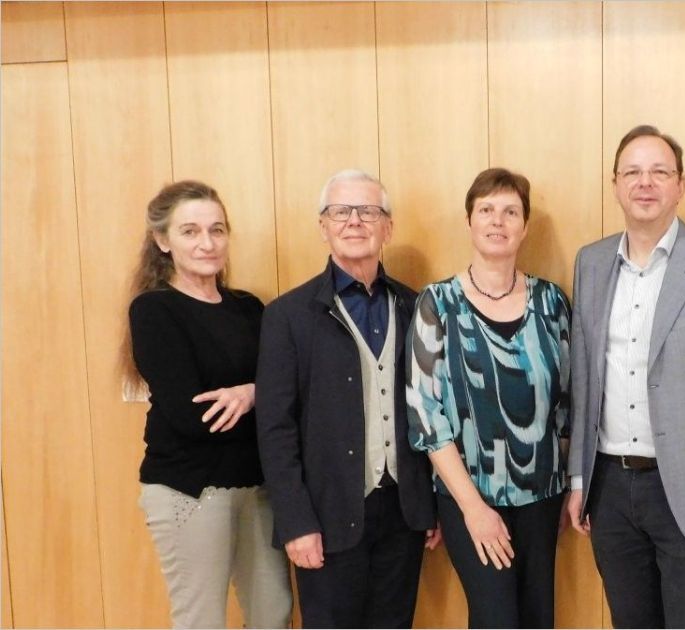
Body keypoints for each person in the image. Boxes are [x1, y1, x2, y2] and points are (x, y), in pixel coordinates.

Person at [566, 125, 685, 628]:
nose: (645, 183)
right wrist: (580, 478)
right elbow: (585, 379)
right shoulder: (590, 262)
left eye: (659, 172)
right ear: (615, 185)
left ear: (681, 185)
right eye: (632, 172)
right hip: (608, 487)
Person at [255, 169, 439, 628]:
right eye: (341, 211)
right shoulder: (288, 316)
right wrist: (296, 522)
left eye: (369, 211)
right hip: (327, 515)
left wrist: (429, 503)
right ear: (324, 226)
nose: (355, 221)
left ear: (387, 228)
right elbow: (275, 429)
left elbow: (434, 409)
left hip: (403, 513)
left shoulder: (416, 307)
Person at [121, 180, 292, 628]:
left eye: (216, 230)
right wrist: (265, 400)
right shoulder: (155, 311)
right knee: (202, 620)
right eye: (190, 231)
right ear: (162, 241)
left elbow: (287, 392)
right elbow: (194, 418)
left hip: (257, 487)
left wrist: (252, 393)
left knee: (274, 612)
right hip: (190, 489)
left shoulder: (250, 308)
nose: (207, 243)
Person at [406, 168, 570, 628]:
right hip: (470, 496)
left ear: (524, 224)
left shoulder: (552, 303)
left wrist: (562, 487)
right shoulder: (437, 303)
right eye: (486, 210)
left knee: (538, 618)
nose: (498, 220)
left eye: (510, 211)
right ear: (469, 221)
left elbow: (566, 406)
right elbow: (426, 417)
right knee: (496, 618)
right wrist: (475, 510)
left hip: (542, 496)